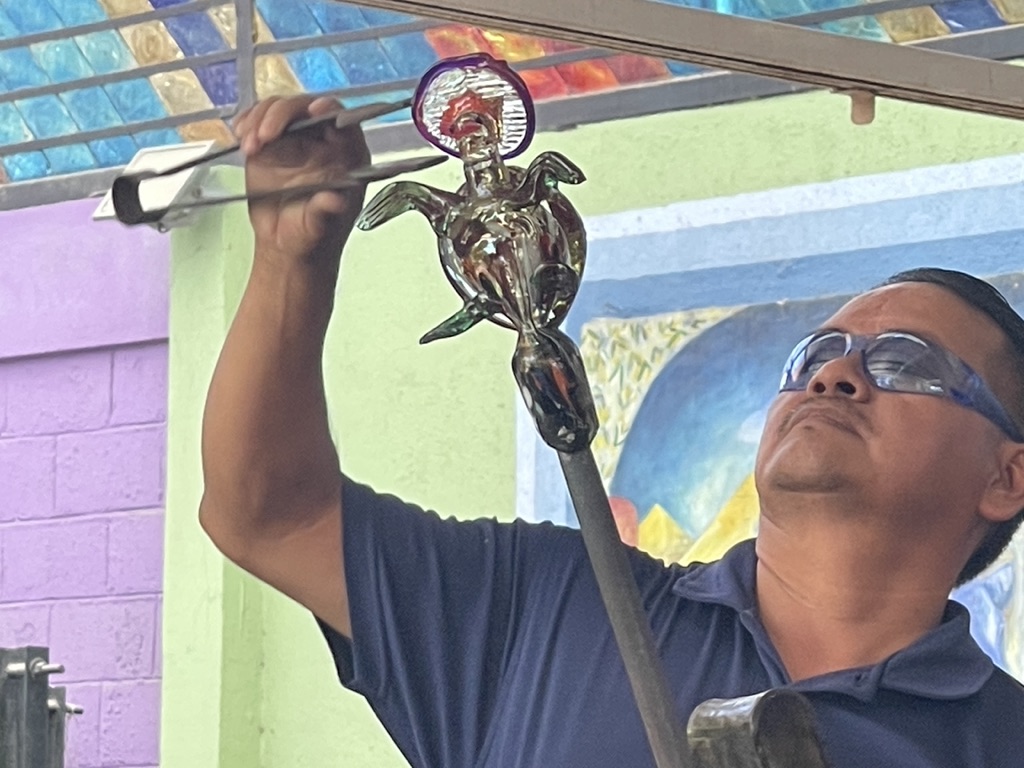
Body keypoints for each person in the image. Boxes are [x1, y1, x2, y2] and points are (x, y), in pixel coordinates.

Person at [199, 95, 1024, 768]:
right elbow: (271, 515)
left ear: (1006, 477)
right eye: (817, 353)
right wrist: (290, 261)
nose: (835, 375)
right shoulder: (547, 602)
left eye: (906, 362)